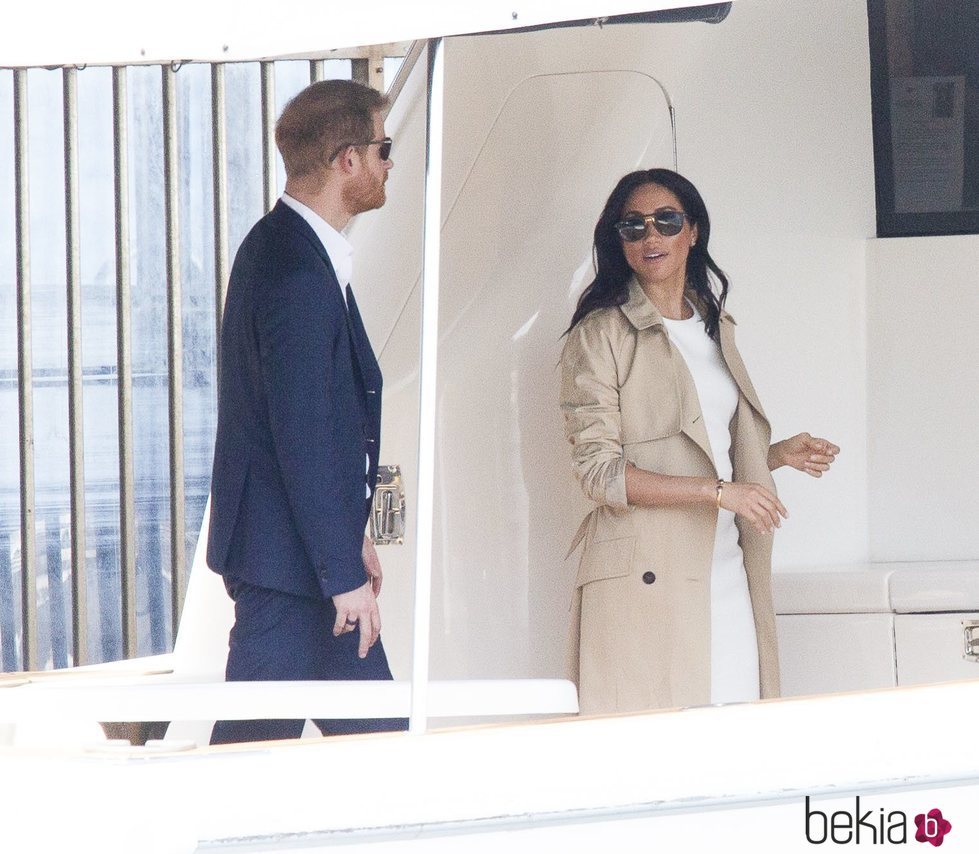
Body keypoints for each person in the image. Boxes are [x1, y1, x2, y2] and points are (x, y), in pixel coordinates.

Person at [559, 168, 839, 715]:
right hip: (646, 573)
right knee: (658, 751)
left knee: (738, 732)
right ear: (618, 241)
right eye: (633, 227)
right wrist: (719, 493)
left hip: (723, 565)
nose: (651, 237)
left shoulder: (712, 323)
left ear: (693, 232)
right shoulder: (599, 334)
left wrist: (774, 456)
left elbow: (707, 439)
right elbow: (599, 473)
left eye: (666, 221)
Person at [206, 79, 406, 743]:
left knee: (378, 746)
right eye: (383, 148)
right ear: (346, 159)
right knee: (249, 763)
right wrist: (340, 572)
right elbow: (303, 433)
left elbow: (311, 424)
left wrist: (347, 540)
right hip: (289, 573)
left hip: (304, 564)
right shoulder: (293, 268)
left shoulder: (294, 252)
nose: (388, 164)